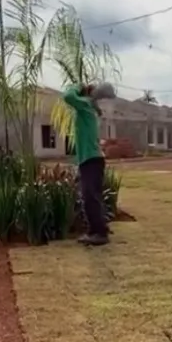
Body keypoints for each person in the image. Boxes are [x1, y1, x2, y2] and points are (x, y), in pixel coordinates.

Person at [62, 80, 116, 246]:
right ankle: (99, 230)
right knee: (94, 196)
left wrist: (78, 86)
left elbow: (68, 96)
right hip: (93, 159)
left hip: (90, 160)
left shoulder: (85, 106)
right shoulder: (90, 109)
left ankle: (98, 233)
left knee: (90, 197)